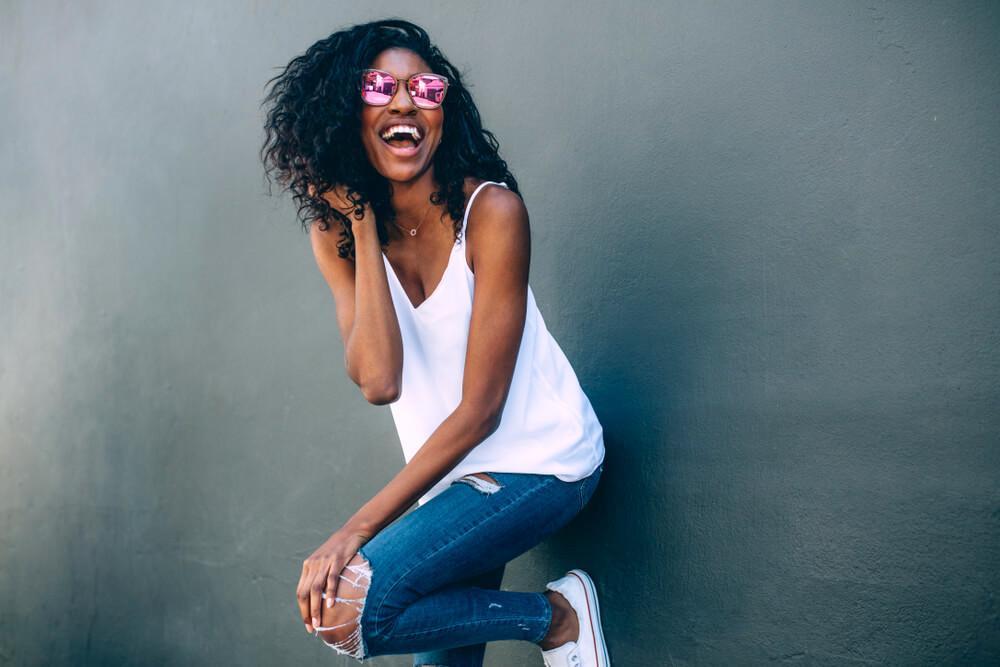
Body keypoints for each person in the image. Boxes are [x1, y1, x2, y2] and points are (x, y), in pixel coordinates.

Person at [260, 18, 609, 667]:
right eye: (379, 88)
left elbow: (482, 410)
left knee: (350, 610)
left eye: (424, 89)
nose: (405, 103)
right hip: (451, 485)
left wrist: (357, 529)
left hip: (545, 461)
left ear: (443, 111)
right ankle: (550, 618)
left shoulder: (491, 214)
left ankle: (556, 618)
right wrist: (362, 222)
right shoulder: (335, 238)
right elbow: (379, 379)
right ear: (343, 113)